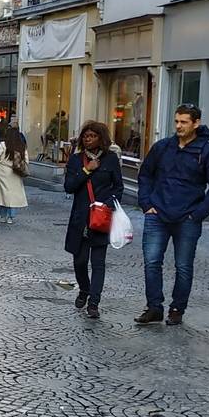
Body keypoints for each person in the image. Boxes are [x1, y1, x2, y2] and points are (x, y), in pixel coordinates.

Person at [135, 102, 209, 327]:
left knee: (183, 266)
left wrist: (199, 214)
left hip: (187, 218)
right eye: (176, 121)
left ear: (196, 123)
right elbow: (145, 175)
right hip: (157, 214)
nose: (179, 125)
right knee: (151, 262)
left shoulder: (208, 152)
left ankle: (177, 308)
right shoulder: (163, 147)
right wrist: (146, 203)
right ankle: (154, 307)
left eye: (184, 122)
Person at [63, 121, 122, 320]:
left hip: (101, 218)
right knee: (79, 262)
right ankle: (84, 290)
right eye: (85, 136)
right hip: (80, 220)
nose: (88, 139)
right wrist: (87, 170)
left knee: (98, 263)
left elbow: (118, 187)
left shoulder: (111, 159)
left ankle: (94, 303)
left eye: (92, 136)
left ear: (101, 139)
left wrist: (108, 204)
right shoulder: (76, 160)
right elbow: (69, 186)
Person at [0, 126, 29, 224]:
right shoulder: (21, 145)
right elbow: (26, 160)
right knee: (14, 194)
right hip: (16, 171)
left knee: (3, 193)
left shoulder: (3, 144)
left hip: (3, 170)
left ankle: (3, 216)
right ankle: (11, 217)